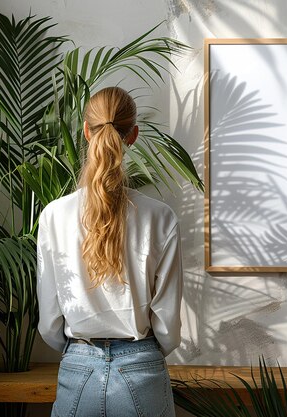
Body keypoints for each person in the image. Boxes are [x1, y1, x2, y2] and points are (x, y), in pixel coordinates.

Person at [36, 86, 183, 417]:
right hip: (141, 368)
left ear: (86, 132)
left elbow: (49, 322)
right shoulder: (161, 217)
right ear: (133, 135)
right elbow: (169, 325)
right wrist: (141, 353)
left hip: (78, 367)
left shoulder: (53, 216)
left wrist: (81, 351)